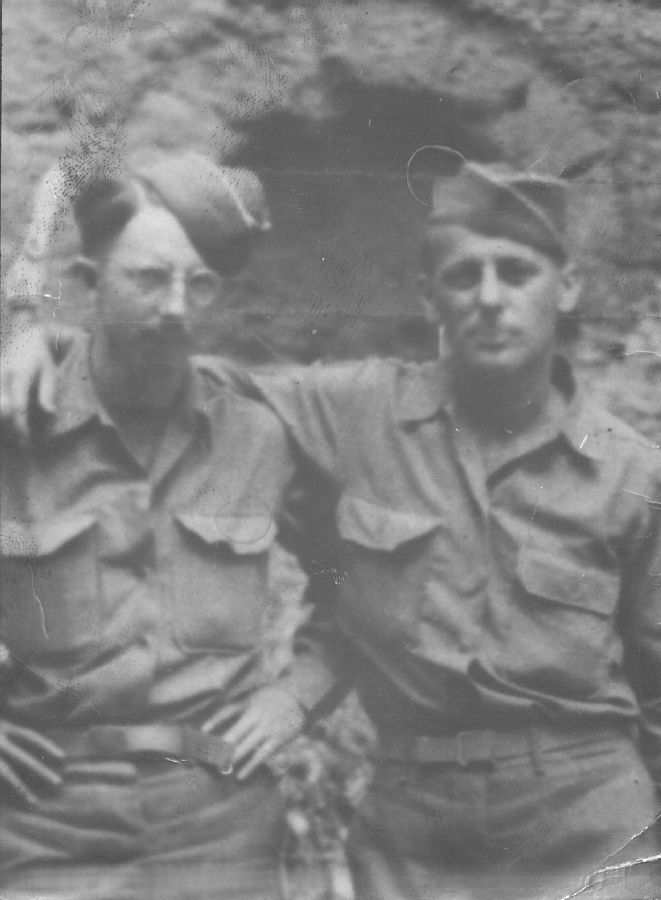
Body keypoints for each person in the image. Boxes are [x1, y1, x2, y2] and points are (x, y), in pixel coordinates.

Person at [4, 153, 661, 899]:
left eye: (516, 273)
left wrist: (294, 697)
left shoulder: (631, 472)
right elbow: (157, 363)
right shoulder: (353, 410)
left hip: (582, 813)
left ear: (566, 287)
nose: (489, 298)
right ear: (428, 297)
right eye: (462, 276)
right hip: (409, 832)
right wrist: (42, 342)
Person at [0, 151, 311, 900]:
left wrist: (296, 695)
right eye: (147, 278)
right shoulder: (16, 424)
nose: (175, 307)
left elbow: (366, 574)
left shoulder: (259, 433)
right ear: (90, 283)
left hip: (221, 815)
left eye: (197, 284)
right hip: (44, 818)